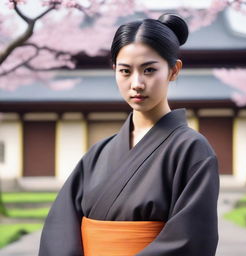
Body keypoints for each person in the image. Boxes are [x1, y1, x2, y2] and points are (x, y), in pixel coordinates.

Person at [39, 13, 219, 256]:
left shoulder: (193, 150)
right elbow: (60, 228)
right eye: (125, 71)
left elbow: (191, 239)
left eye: (149, 70)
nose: (136, 83)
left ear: (173, 70)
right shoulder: (99, 153)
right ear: (114, 70)